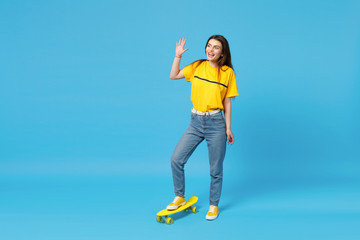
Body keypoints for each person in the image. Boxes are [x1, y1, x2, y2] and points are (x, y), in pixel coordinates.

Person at [167, 35, 239, 220]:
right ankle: (179, 197)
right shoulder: (198, 66)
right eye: (209, 46)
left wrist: (228, 128)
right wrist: (177, 57)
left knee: (215, 169)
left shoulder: (227, 73)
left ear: (222, 52)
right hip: (196, 122)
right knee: (176, 159)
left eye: (216, 47)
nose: (211, 50)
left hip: (216, 123)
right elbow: (174, 75)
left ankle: (213, 205)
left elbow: (227, 102)